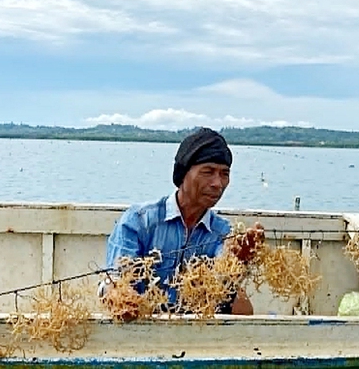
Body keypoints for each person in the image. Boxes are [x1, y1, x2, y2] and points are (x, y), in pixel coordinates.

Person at [105, 127, 256, 315]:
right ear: (183, 174)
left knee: (244, 309)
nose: (217, 183)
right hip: (141, 324)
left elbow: (227, 293)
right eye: (208, 172)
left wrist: (237, 263)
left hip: (195, 328)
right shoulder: (139, 221)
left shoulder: (223, 232)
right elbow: (114, 282)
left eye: (224, 174)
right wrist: (121, 297)